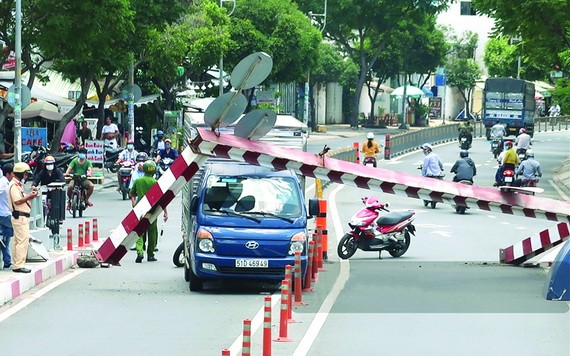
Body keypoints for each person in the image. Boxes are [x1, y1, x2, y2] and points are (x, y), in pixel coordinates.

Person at [129, 160, 168, 263]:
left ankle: (140, 252)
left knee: (139, 232)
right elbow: (162, 199)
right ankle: (150, 255)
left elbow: (132, 194)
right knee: (152, 233)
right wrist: (165, 212)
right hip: (152, 211)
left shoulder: (138, 181)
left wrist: (133, 203)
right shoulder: (156, 182)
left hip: (140, 210)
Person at [8, 162, 38, 273]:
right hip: (20, 217)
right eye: (25, 174)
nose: (26, 176)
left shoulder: (17, 185)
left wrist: (29, 196)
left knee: (18, 241)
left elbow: (21, 198)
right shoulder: (14, 186)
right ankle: (19, 265)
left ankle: (17, 264)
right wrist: (29, 196)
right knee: (22, 241)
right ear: (20, 173)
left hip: (20, 217)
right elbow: (17, 200)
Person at [0, 164, 14, 270]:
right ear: (9, 173)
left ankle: (7, 261)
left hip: (5, 214)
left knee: (6, 238)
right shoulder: (3, 183)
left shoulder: (7, 182)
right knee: (18, 229)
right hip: (4, 215)